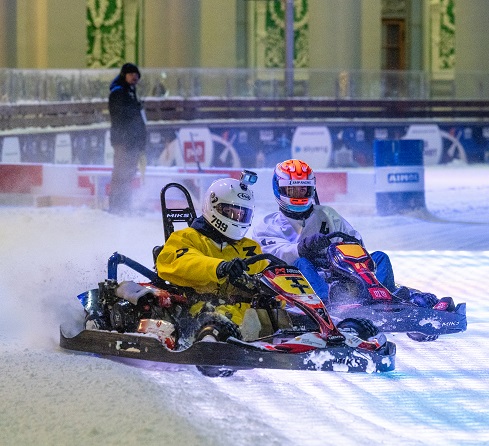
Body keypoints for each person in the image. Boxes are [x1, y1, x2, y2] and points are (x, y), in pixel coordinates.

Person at [253, 158, 452, 309]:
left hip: (334, 269)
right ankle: (326, 306)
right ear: (279, 189)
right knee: (302, 263)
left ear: (312, 190)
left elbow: (353, 239)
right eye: (292, 191)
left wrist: (341, 249)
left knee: (380, 258)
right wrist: (302, 248)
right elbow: (271, 255)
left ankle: (387, 299)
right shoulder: (268, 224)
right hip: (296, 282)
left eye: (303, 190)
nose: (298, 196)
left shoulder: (326, 214)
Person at [155, 177, 267, 326]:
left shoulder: (250, 247)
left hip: (248, 314)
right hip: (200, 312)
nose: (237, 218)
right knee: (227, 320)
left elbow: (269, 276)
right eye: (231, 212)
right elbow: (180, 261)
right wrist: (219, 267)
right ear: (215, 207)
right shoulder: (187, 237)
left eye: (242, 214)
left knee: (281, 313)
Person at [108, 62, 147, 214]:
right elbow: (119, 116)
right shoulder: (119, 93)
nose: (135, 77)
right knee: (121, 173)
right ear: (124, 75)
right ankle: (117, 206)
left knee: (128, 173)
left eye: (137, 75)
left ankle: (124, 205)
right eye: (131, 74)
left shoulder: (130, 92)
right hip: (124, 141)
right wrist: (135, 108)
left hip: (132, 141)